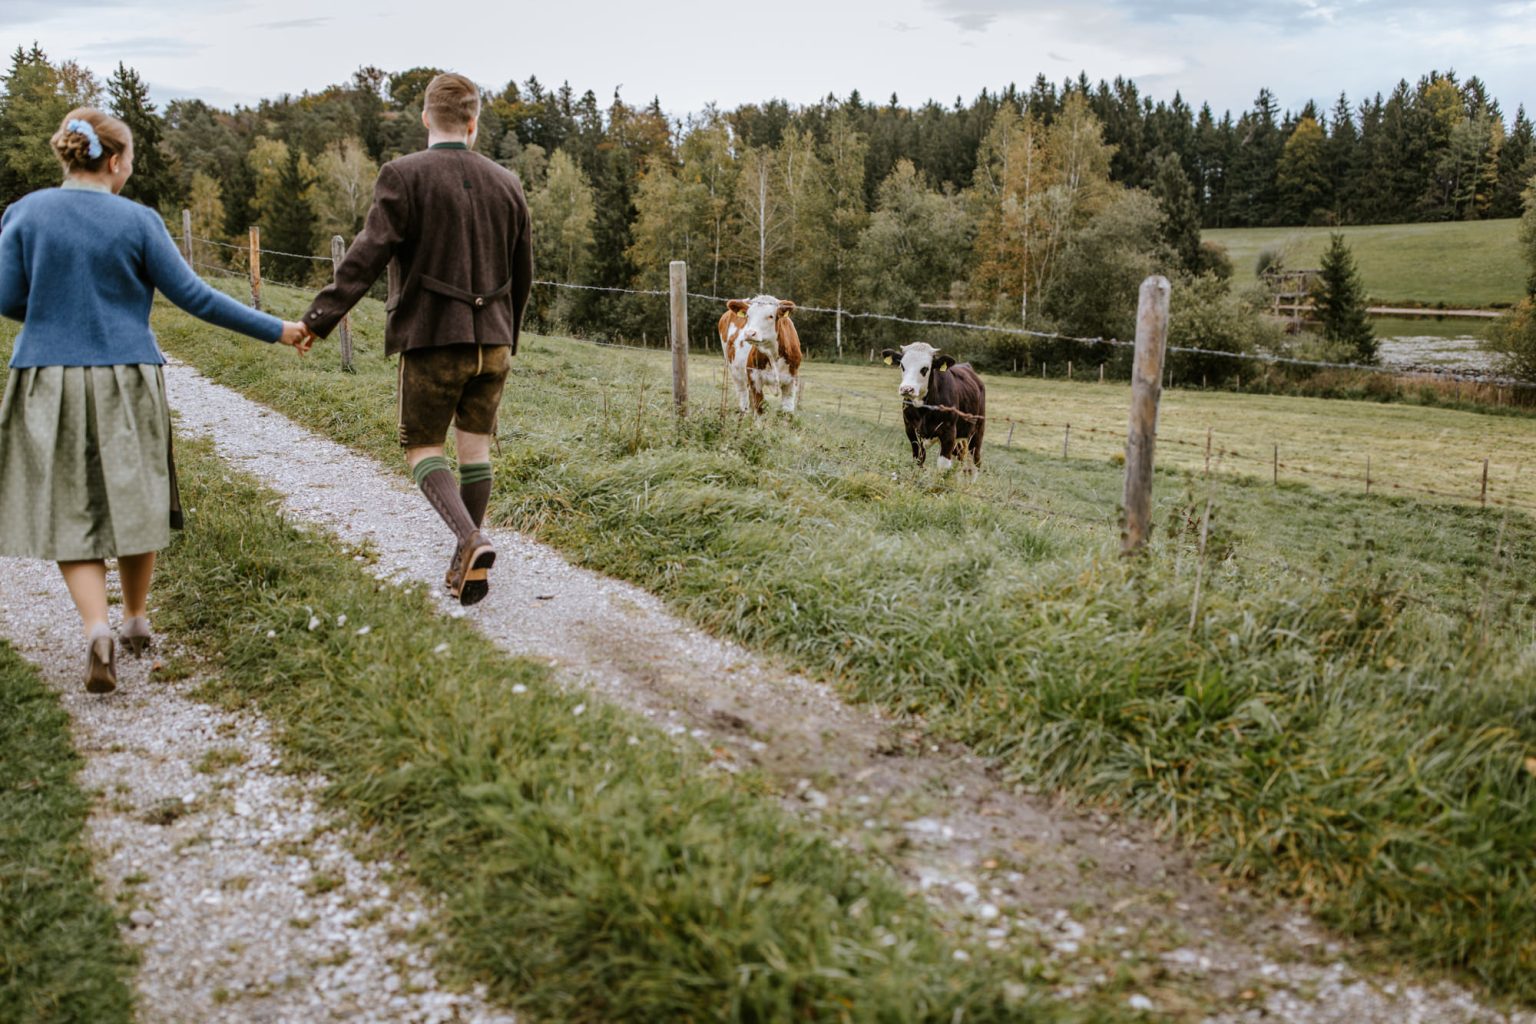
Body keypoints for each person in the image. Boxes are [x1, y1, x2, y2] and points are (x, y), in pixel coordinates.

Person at [0, 108, 312, 694]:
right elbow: (196, 297)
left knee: (70, 505)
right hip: (127, 377)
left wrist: (52, 311)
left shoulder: (25, 213)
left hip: (46, 375)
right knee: (137, 495)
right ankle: (136, 618)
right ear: (115, 161)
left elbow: (8, 297)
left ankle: (96, 628)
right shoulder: (138, 221)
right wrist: (279, 329)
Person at [298, 72, 533, 607]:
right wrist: (508, 334)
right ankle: (468, 566)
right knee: (475, 450)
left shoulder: (403, 175)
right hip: (494, 342)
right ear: (474, 123)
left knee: (422, 447)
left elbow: (365, 257)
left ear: (426, 117)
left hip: (432, 338)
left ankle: (470, 540)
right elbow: (524, 273)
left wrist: (318, 319)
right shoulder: (508, 183)